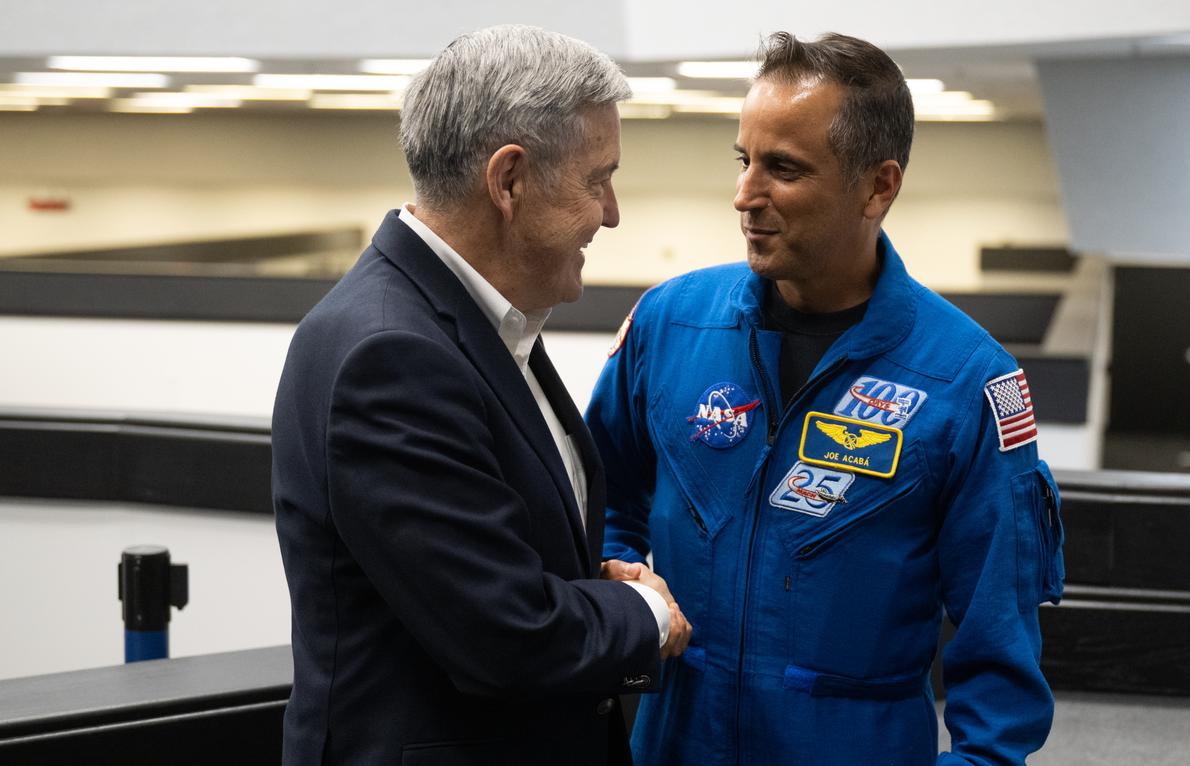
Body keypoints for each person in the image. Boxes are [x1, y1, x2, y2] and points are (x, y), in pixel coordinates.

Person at [586, 31, 1064, 765]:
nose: (746, 195)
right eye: (744, 161)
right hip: (676, 742)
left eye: (783, 168)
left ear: (879, 186)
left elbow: (996, 652)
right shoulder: (670, 324)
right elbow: (599, 499)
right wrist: (621, 596)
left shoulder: (966, 381)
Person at [272, 24, 690, 766]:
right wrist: (642, 614)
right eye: (598, 179)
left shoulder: (479, 323)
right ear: (509, 180)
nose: (612, 212)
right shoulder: (391, 355)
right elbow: (503, 636)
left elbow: (471, 569)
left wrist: (583, 584)